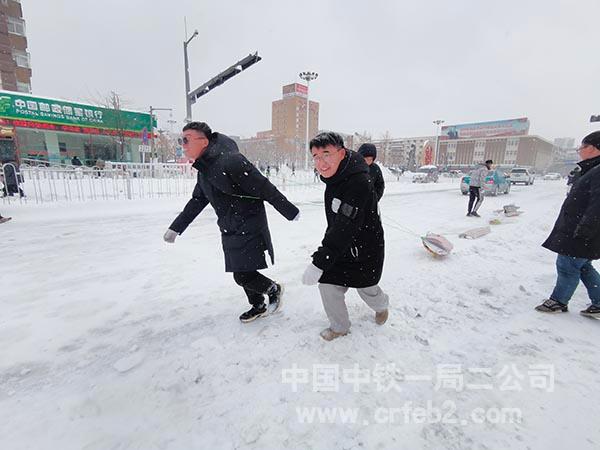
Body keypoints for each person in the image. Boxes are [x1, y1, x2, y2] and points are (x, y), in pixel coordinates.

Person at [164, 122, 300, 322]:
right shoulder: (205, 170)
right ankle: (258, 305)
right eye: (180, 140)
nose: (182, 145)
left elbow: (264, 187)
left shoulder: (231, 161)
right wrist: (175, 228)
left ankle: (273, 289)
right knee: (244, 269)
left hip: (249, 225)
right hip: (229, 227)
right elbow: (197, 201)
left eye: (186, 140)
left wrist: (290, 211)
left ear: (204, 140)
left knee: (242, 274)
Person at [301, 131, 389, 341]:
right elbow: (338, 224)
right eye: (315, 156)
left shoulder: (358, 181)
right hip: (342, 247)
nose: (321, 162)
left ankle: (382, 305)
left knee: (366, 287)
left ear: (341, 153)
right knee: (328, 284)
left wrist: (319, 261)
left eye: (326, 154)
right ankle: (340, 327)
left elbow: (345, 225)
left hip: (365, 249)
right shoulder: (336, 176)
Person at [535, 131, 600, 317]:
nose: (579, 150)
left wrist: (586, 228)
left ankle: (559, 301)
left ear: (594, 148)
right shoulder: (592, 168)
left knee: (567, 266)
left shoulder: (598, 171)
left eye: (583, 146)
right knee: (583, 266)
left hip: (582, 231)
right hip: (582, 228)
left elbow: (598, 204)